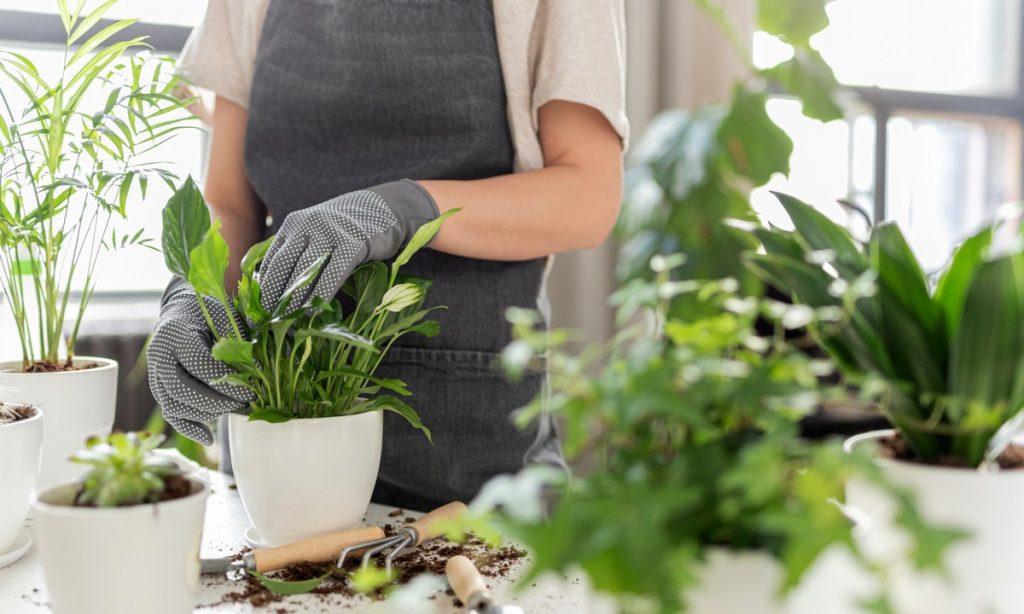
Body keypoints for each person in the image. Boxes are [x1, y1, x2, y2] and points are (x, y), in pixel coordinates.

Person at [147, 0, 628, 511]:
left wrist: (408, 209)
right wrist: (192, 295)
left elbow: (589, 196)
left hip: (472, 463)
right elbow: (229, 203)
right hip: (275, 456)